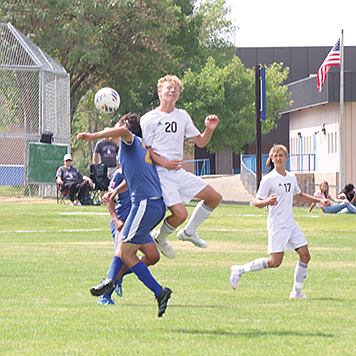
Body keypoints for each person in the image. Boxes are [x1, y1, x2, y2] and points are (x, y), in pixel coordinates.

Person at [77, 113, 172, 317]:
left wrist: (93, 135)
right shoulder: (135, 149)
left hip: (145, 204)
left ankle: (153, 290)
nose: (113, 128)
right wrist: (115, 192)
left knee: (126, 253)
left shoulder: (130, 142)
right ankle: (112, 282)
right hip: (153, 205)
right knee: (127, 251)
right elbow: (132, 179)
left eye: (116, 125)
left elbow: (123, 131)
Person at [229, 144, 330, 299]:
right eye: (275, 156)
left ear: (286, 158)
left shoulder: (291, 177)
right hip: (277, 223)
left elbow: (298, 195)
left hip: (290, 222)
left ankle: (296, 293)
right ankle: (239, 270)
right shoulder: (268, 179)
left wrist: (319, 200)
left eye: (281, 155)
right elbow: (256, 202)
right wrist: (266, 202)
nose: (278, 158)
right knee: (275, 261)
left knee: (305, 255)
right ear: (271, 159)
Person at [140, 75, 222, 259]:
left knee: (215, 197)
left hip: (178, 172)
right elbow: (146, 150)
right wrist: (165, 163)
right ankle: (160, 238)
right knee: (180, 214)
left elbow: (200, 142)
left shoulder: (182, 115)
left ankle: (189, 232)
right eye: (169, 88)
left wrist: (209, 129)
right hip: (160, 173)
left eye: (176, 89)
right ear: (159, 92)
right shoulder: (148, 119)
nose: (172, 91)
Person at [97, 168, 160, 305]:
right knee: (120, 256)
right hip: (123, 221)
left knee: (153, 256)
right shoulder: (119, 174)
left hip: (138, 222)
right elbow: (109, 198)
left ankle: (117, 276)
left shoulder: (142, 171)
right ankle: (104, 296)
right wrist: (116, 220)